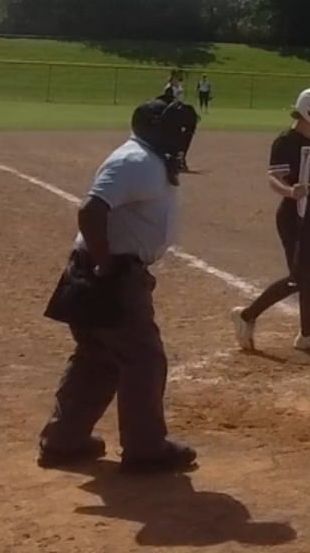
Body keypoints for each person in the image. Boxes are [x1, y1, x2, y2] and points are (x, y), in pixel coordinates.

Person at [37, 98, 201, 473]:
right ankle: (145, 449)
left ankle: (64, 440)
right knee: (143, 359)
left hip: (104, 270)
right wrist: (105, 263)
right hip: (112, 274)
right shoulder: (135, 161)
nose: (182, 138)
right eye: (176, 130)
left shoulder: (148, 158)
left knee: (97, 356)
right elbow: (91, 209)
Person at [231, 88, 310, 356]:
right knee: (299, 277)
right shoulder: (285, 142)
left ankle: (307, 335)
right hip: (294, 217)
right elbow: (274, 178)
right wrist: (290, 191)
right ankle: (247, 315)